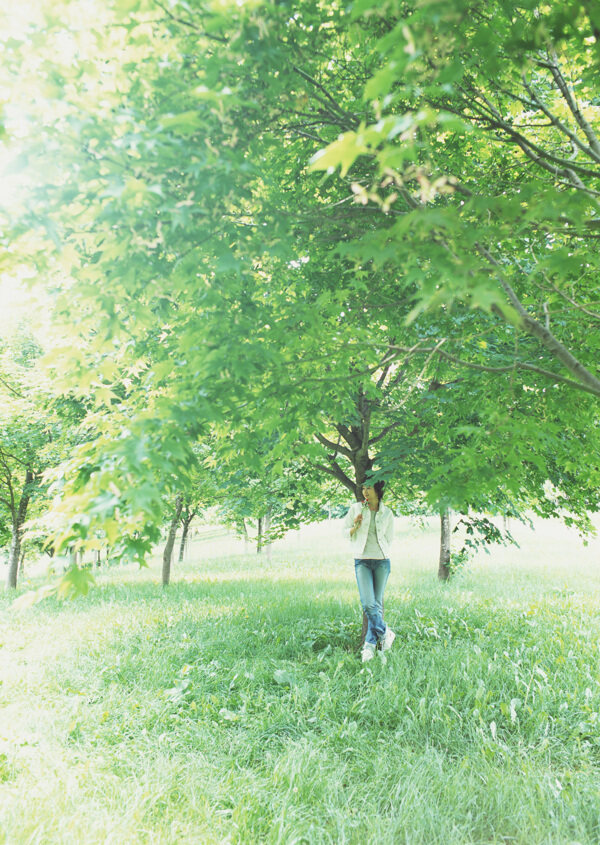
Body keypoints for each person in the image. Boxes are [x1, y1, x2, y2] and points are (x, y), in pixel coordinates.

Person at [343, 481, 396, 662]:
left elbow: (390, 537)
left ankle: (369, 646)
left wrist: (381, 552)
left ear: (377, 490)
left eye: (369, 488)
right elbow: (344, 532)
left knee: (377, 604)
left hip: (382, 561)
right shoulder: (356, 508)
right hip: (362, 561)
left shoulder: (387, 513)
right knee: (368, 604)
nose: (365, 492)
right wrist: (355, 526)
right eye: (363, 488)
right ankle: (386, 633)